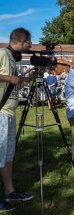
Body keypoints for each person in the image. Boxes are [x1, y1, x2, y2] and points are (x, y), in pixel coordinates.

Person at [0, 28, 34, 212]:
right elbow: (7, 79)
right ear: (21, 41)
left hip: (10, 113)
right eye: (29, 42)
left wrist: (25, 78)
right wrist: (9, 77)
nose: (31, 46)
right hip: (1, 112)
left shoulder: (12, 58)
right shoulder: (3, 53)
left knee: (7, 155)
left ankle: (10, 190)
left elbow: (13, 82)